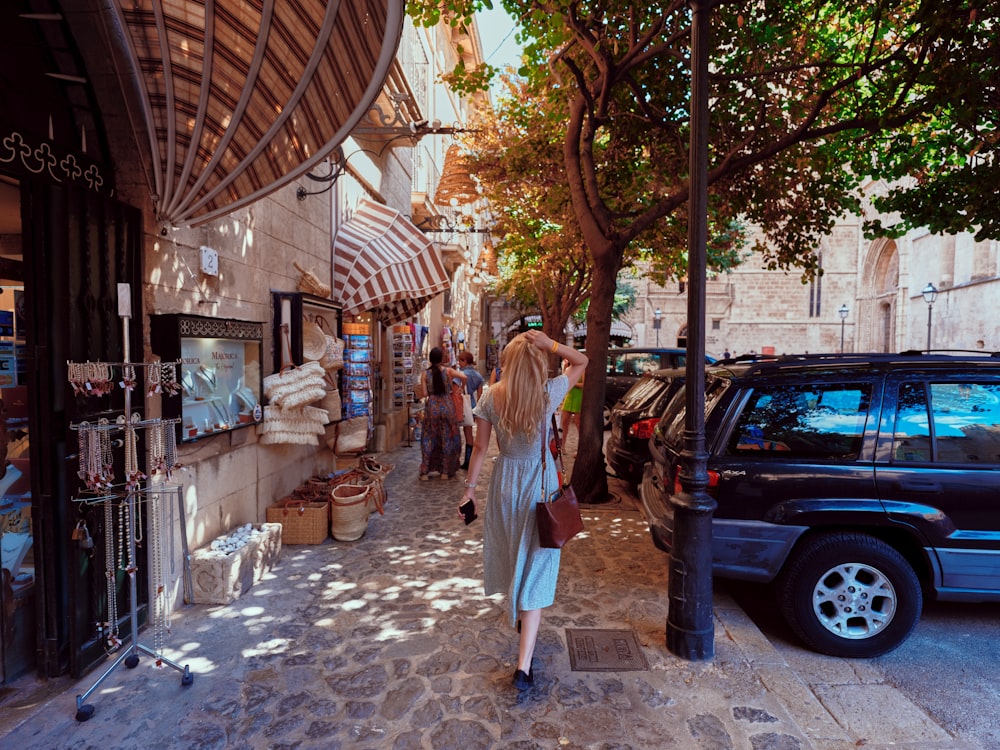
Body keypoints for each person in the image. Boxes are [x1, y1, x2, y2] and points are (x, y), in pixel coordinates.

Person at [459, 331, 587, 690]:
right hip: (541, 486)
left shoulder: (490, 396)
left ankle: (518, 615)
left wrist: (470, 491)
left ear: (508, 363)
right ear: (537, 363)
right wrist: (551, 344)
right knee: (536, 567)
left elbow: (480, 450)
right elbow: (583, 361)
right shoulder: (549, 393)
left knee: (514, 551)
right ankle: (523, 667)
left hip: (505, 484)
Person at [419, 347, 466, 480]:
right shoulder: (448, 371)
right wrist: (460, 389)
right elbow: (464, 376)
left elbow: (424, 394)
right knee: (447, 437)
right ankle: (445, 471)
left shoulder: (424, 374)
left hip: (432, 406)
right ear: (442, 359)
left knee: (429, 437)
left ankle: (425, 472)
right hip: (447, 404)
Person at [456, 350, 484, 470]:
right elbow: (480, 395)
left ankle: (467, 461)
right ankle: (469, 460)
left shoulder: (460, 375)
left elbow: (456, 391)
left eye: (460, 360)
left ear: (465, 361)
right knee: (469, 433)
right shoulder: (478, 376)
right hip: (472, 405)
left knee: (465, 433)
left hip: (462, 406)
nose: (458, 363)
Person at [559, 357, 583, 443]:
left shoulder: (582, 370)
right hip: (569, 396)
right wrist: (564, 369)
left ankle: (580, 446)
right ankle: (562, 446)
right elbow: (563, 380)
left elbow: (583, 384)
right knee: (564, 422)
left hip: (578, 397)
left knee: (578, 422)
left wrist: (573, 382)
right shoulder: (568, 369)